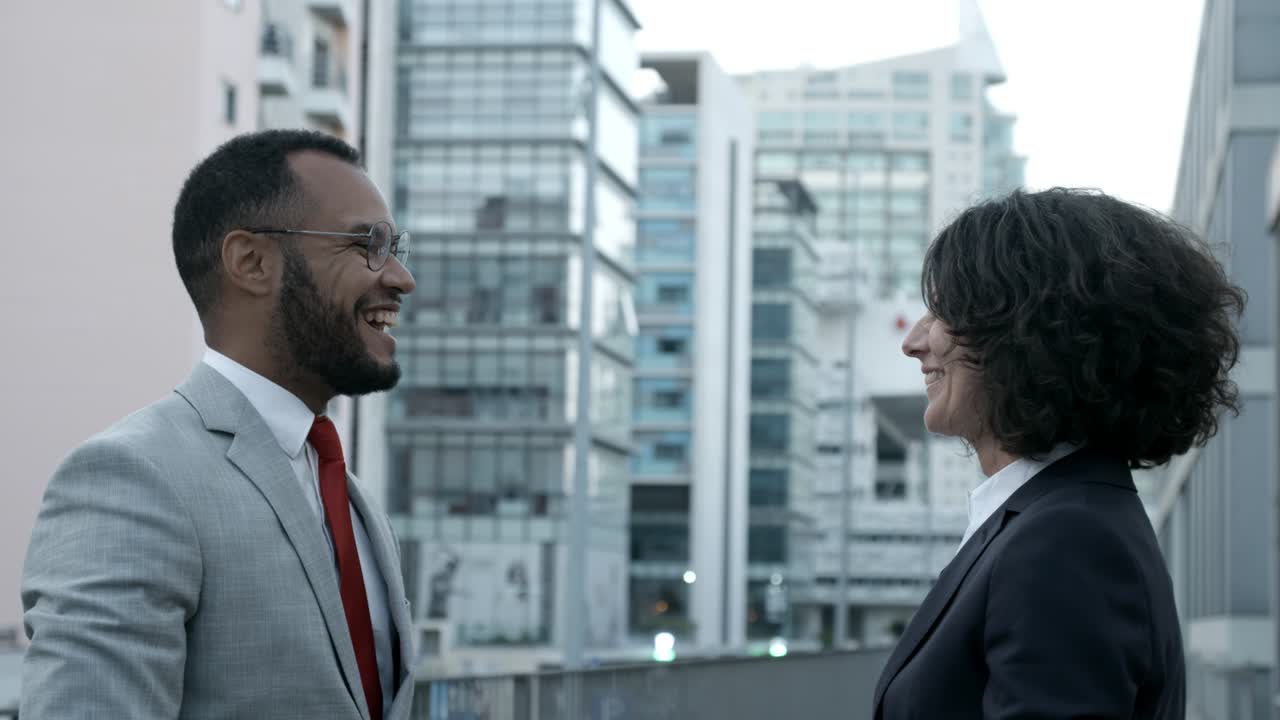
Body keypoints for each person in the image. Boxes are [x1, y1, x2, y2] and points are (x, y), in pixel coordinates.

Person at [21, 129, 418, 719]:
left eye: (395, 247)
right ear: (251, 262)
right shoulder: (133, 478)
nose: (401, 278)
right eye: (368, 244)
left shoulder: (355, 502)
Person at [874, 188, 1244, 719]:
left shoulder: (1065, 542)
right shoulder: (1059, 521)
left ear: (1027, 333)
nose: (914, 341)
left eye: (942, 313)